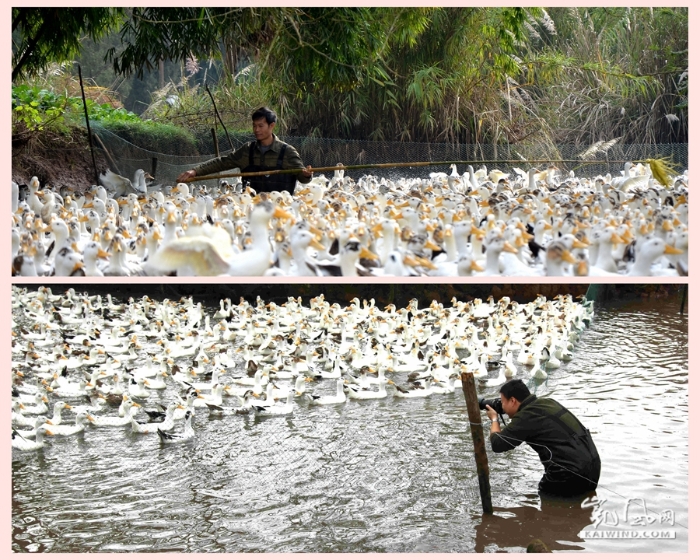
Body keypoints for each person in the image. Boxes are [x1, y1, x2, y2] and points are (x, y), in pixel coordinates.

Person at [485, 379, 601, 498]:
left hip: (568, 473)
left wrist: (494, 419)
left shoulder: (526, 415)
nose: (502, 407)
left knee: (549, 505)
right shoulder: (548, 402)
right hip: (593, 465)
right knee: (581, 506)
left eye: (503, 402)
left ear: (513, 400)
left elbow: (497, 444)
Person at [176, 106, 313, 194]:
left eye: (260, 125)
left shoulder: (287, 152)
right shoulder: (247, 150)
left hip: (280, 209)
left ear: (272, 126)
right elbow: (222, 162)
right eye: (254, 126)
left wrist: (306, 175)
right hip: (249, 208)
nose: (256, 130)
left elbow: (302, 177)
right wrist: (195, 171)